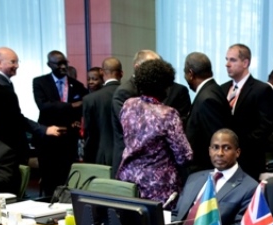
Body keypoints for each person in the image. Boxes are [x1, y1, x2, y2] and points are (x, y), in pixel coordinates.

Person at [117, 59, 193, 205]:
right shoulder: (168, 114)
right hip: (158, 187)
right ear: (165, 86)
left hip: (128, 181)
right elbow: (184, 156)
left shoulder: (128, 105)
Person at [173, 129, 257, 225]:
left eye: (226, 148)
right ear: (209, 151)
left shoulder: (250, 187)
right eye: (215, 147)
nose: (220, 153)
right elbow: (176, 214)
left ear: (237, 152)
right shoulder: (194, 178)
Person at [220, 44, 273, 180]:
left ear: (245, 63)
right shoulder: (222, 89)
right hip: (223, 162)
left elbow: (265, 126)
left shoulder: (262, 90)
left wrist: (237, 147)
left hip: (249, 161)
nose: (227, 64)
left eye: (232, 60)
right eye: (226, 59)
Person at [32, 50, 87, 196]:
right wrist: (71, 106)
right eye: (59, 64)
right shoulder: (40, 82)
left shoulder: (77, 85)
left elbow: (84, 105)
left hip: (69, 140)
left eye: (65, 63)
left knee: (67, 178)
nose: (63, 67)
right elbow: (44, 106)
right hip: (48, 140)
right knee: (49, 180)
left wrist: (76, 119)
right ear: (49, 64)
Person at [0, 47, 62, 149]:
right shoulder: (0, 85)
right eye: (13, 62)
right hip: (7, 143)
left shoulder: (5, 83)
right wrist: (43, 129)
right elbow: (14, 117)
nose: (17, 66)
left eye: (17, 62)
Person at [183, 52, 232, 174]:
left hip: (204, 171)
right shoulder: (213, 90)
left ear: (190, 74)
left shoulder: (207, 99)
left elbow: (217, 140)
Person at [82, 57, 122, 165]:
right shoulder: (133, 94)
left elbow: (89, 133)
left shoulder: (90, 99)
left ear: (102, 72)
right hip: (128, 153)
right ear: (121, 73)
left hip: (102, 154)